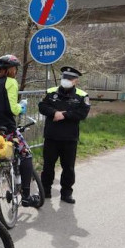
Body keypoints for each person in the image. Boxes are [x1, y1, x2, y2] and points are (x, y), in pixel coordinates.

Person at [0, 54, 41, 213]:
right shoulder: (11, 82)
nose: (16, 71)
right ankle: (26, 196)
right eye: (15, 68)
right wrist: (22, 107)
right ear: (11, 70)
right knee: (26, 154)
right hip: (6, 130)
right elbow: (13, 108)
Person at [39, 66, 90, 204]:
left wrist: (63, 115)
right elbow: (42, 107)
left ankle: (66, 193)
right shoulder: (51, 92)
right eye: (64, 78)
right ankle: (45, 191)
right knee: (48, 166)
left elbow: (82, 113)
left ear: (75, 81)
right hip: (51, 137)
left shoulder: (81, 95)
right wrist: (53, 113)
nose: (66, 80)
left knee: (68, 167)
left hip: (69, 138)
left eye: (69, 78)